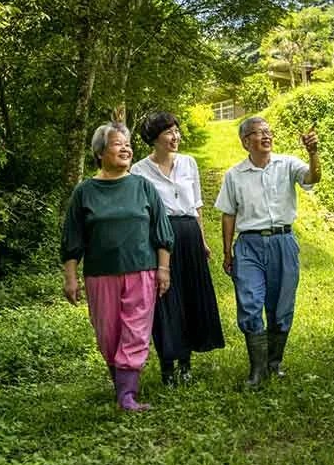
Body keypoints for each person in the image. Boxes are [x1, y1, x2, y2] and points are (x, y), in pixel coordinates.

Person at [61, 121, 174, 411]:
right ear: (100, 152)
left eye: (128, 144)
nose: (126, 149)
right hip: (100, 275)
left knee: (135, 331)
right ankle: (120, 383)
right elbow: (72, 238)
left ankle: (127, 395)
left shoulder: (143, 187)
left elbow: (161, 231)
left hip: (141, 270)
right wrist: (70, 278)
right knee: (108, 334)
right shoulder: (84, 192)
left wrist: (163, 269)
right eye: (117, 144)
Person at [214, 116, 321, 387]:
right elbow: (228, 214)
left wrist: (313, 153)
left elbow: (313, 177)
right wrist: (227, 252)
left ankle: (274, 363)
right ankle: (257, 371)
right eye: (258, 132)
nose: (266, 136)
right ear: (245, 141)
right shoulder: (234, 175)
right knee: (250, 304)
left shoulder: (287, 164)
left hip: (283, 242)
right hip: (249, 245)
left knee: (281, 306)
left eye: (268, 131)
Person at [130, 112, 225, 387]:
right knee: (166, 300)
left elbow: (197, 205)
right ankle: (167, 367)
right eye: (169, 132)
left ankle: (186, 364)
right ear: (154, 138)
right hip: (160, 238)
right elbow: (141, 215)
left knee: (191, 298)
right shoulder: (139, 171)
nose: (176, 137)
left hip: (189, 234)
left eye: (177, 131)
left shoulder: (188, 163)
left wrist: (202, 241)